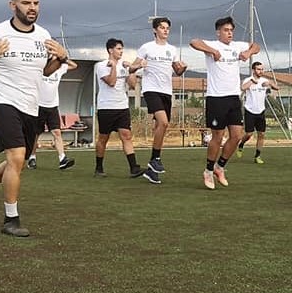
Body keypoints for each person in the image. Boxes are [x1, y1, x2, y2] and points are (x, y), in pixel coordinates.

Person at [0, 0, 68, 237]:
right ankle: (11, 219)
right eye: (26, 3)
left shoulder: (43, 35)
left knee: (18, 161)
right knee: (16, 155)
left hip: (30, 105)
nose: (32, 8)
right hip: (0, 100)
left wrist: (62, 58)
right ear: (13, 6)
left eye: (35, 3)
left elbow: (44, 71)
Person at [190, 16, 261, 189]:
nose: (229, 33)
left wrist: (248, 53)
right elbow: (194, 41)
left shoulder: (237, 46)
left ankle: (219, 167)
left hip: (233, 97)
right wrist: (212, 51)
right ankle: (207, 171)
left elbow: (256, 46)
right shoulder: (213, 45)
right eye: (226, 30)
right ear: (218, 32)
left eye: (231, 30)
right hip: (216, 98)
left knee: (237, 136)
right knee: (218, 136)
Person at [128, 16, 187, 184]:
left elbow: (178, 71)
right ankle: (156, 159)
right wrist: (139, 65)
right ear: (155, 30)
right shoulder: (147, 47)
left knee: (158, 126)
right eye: (162, 27)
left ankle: (152, 169)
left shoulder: (172, 49)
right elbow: (131, 67)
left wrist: (183, 67)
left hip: (166, 92)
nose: (165, 30)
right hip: (151, 89)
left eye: (167, 27)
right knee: (164, 122)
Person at [93, 38, 148, 180]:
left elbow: (132, 84)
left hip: (122, 107)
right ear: (110, 50)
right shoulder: (101, 65)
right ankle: (99, 167)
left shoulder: (123, 66)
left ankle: (133, 167)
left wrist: (132, 69)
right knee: (103, 138)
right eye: (118, 48)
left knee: (126, 136)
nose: (121, 51)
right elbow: (111, 82)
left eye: (122, 49)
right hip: (106, 107)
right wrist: (112, 67)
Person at [28, 56, 78, 171]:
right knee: (36, 133)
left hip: (53, 106)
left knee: (57, 132)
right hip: (39, 106)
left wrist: (63, 58)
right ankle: (32, 157)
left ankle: (62, 159)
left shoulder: (60, 68)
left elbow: (74, 65)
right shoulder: (40, 68)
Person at [237, 61, 279, 164]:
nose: (261, 71)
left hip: (261, 111)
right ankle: (241, 144)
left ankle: (257, 156)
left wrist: (269, 84)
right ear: (253, 70)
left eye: (262, 69)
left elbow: (277, 87)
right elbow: (242, 88)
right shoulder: (248, 80)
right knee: (249, 134)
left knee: (261, 134)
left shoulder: (264, 80)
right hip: (250, 110)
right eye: (258, 69)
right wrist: (252, 81)